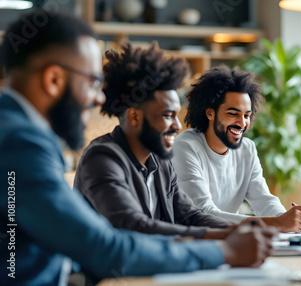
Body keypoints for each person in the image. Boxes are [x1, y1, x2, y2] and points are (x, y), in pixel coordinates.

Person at [0, 10, 274, 285]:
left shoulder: (20, 134)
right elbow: (112, 244)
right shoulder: (20, 144)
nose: (99, 97)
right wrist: (224, 250)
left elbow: (189, 215)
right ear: (54, 80)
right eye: (94, 82)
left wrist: (247, 230)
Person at [74, 42, 234, 239]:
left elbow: (191, 216)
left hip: (153, 265)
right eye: (168, 115)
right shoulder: (101, 158)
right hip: (111, 269)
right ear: (134, 117)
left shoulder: (161, 162)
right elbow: (133, 225)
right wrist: (222, 236)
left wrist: (237, 229)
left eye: (176, 115)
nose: (177, 125)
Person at [171, 65, 301, 233]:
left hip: (229, 239)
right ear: (210, 113)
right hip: (190, 241)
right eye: (233, 114)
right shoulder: (185, 147)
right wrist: (277, 223)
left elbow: (263, 200)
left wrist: (288, 219)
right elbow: (203, 213)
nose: (242, 123)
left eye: (247, 115)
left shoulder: (247, 149)